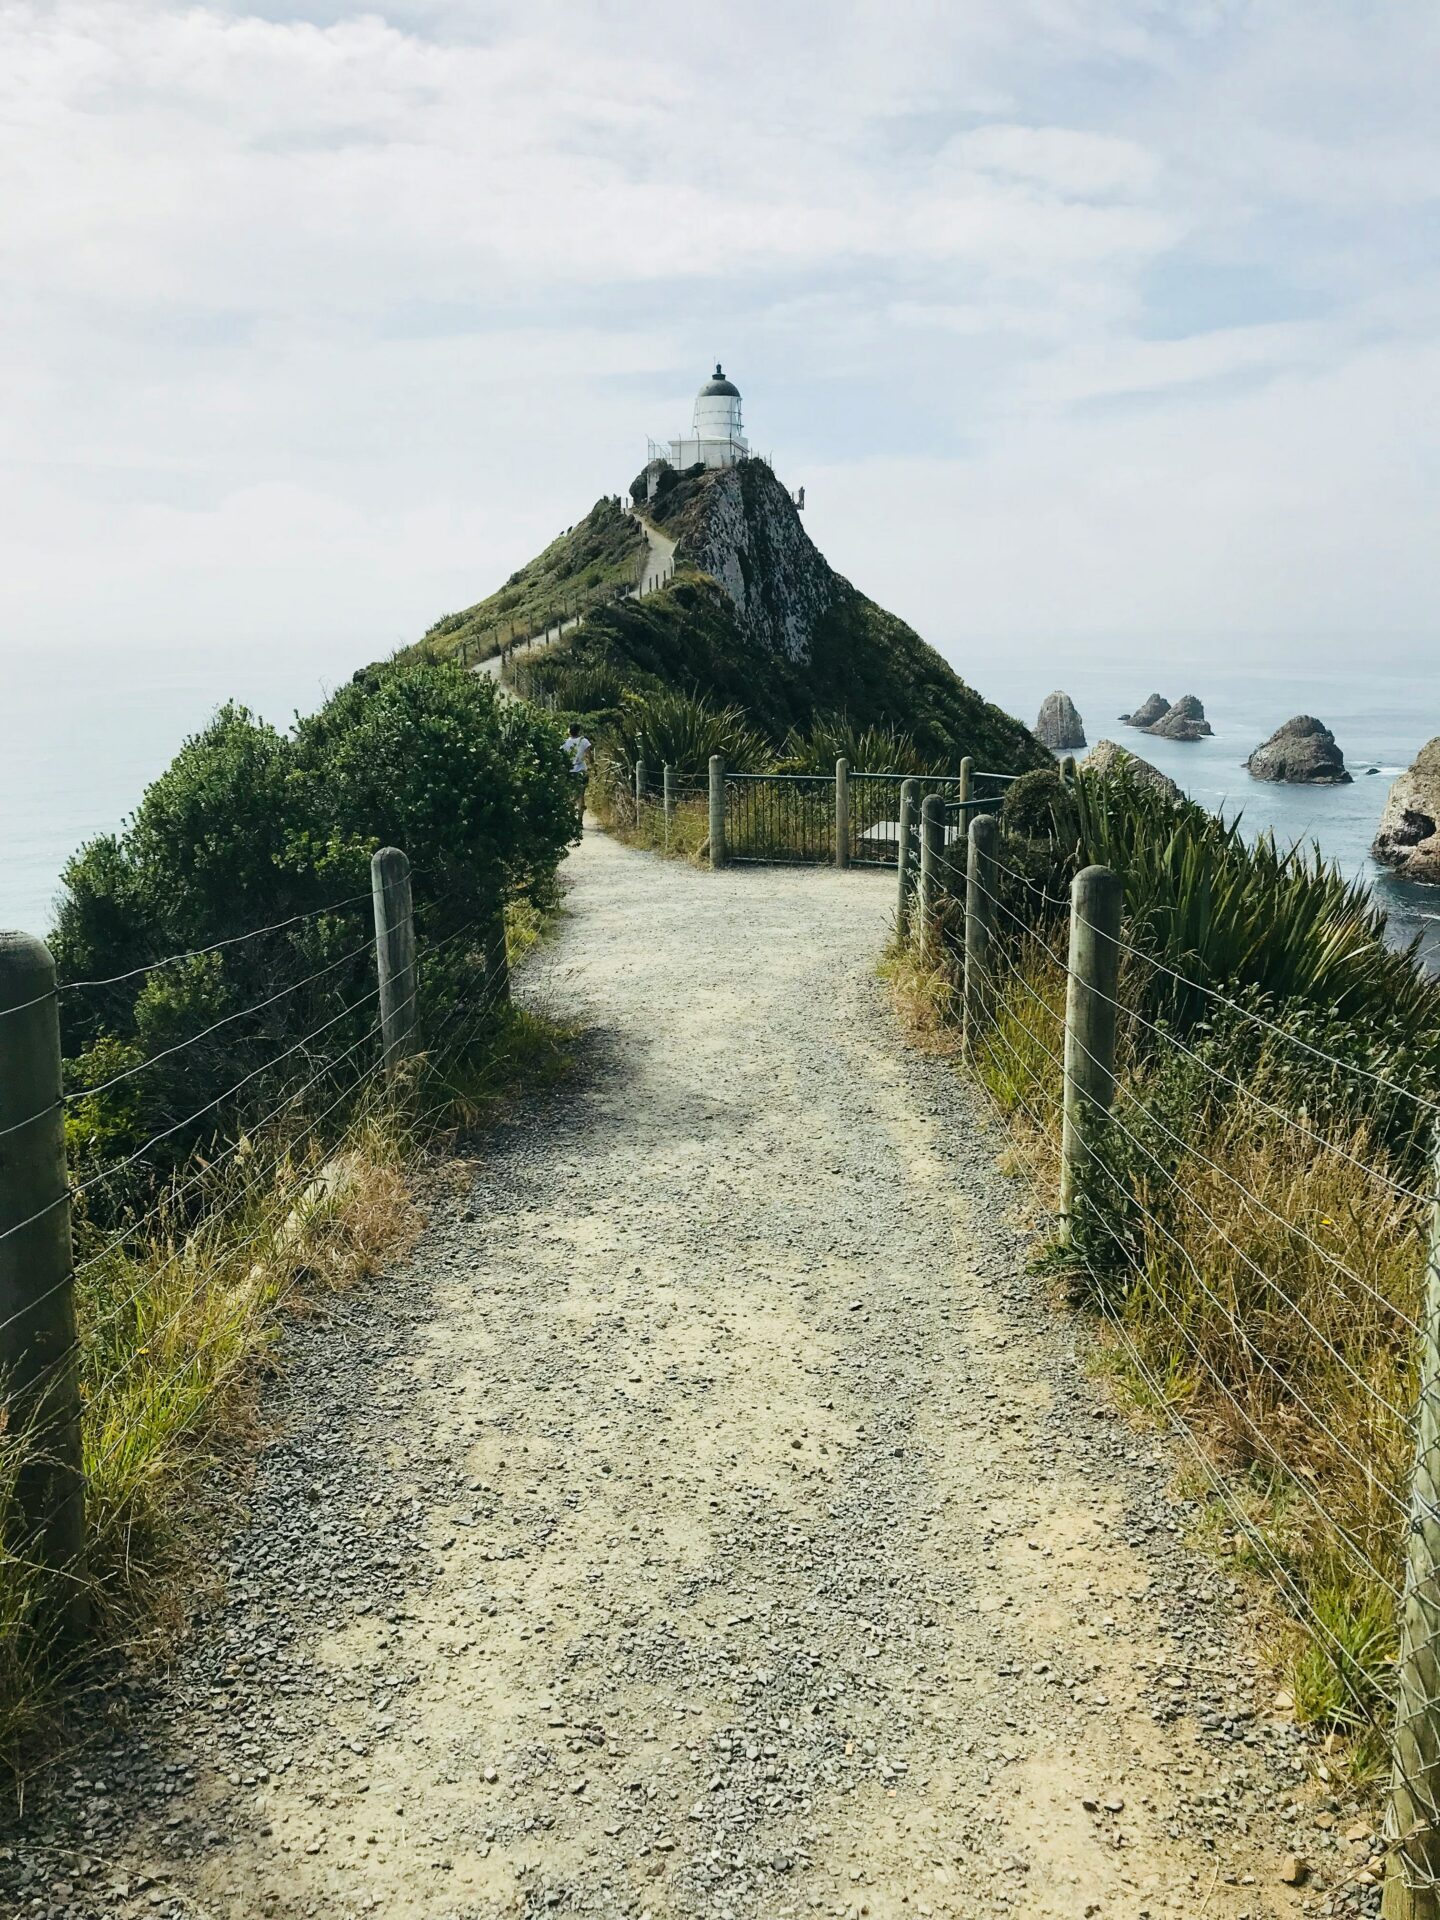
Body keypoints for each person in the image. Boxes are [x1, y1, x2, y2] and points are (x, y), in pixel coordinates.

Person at [562, 721, 592, 828]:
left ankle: (570, 817)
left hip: (569, 771)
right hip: (581, 770)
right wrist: (592, 765)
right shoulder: (584, 741)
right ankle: (579, 820)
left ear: (569, 731)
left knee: (570, 795)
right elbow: (589, 756)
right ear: (579, 731)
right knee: (581, 795)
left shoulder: (564, 743)